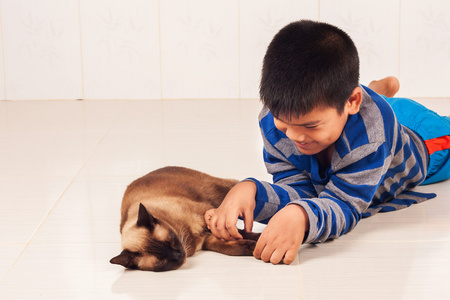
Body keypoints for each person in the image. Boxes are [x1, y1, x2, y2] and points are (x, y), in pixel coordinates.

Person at [204, 20, 450, 265]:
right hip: (360, 114)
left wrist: (302, 217)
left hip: (424, 137)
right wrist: (251, 192)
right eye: (283, 122)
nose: (294, 136)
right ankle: (377, 90)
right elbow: (300, 189)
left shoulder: (370, 138)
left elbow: (344, 203)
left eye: (310, 126)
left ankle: (378, 93)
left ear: (352, 102)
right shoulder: (275, 122)